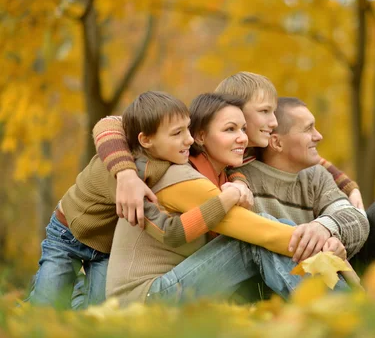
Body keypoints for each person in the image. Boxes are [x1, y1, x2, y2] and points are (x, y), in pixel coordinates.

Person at [106, 93, 347, 306]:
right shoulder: (178, 175)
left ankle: (335, 308)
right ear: (202, 136)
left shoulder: (223, 176)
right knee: (248, 241)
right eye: (230, 129)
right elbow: (259, 231)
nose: (242, 138)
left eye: (243, 129)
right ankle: (339, 312)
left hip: (167, 287)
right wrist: (323, 246)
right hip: (145, 300)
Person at [93, 72, 360, 261]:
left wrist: (348, 185)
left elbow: (311, 155)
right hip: (98, 233)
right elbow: (112, 124)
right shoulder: (185, 142)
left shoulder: (255, 146)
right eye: (265, 111)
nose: (274, 121)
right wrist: (126, 174)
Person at [27, 92, 193, 309]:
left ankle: (76, 288)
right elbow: (108, 123)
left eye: (188, 128)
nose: (189, 139)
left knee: (99, 311)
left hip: (107, 248)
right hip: (68, 236)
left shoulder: (171, 150)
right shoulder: (127, 166)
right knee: (44, 307)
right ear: (145, 139)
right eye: (178, 133)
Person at [244, 97, 375, 278]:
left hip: (332, 270)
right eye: (308, 129)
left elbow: (354, 217)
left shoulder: (316, 175)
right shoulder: (242, 180)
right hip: (278, 279)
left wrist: (325, 228)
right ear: (277, 143)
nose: (319, 136)